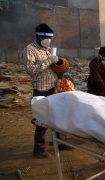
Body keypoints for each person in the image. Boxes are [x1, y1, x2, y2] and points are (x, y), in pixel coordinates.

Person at [23, 23, 59, 158]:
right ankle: (38, 149)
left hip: (53, 86)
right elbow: (30, 70)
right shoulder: (30, 49)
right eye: (46, 37)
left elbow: (54, 67)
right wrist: (49, 61)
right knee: (41, 119)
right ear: (37, 36)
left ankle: (60, 142)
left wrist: (59, 66)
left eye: (50, 38)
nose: (48, 40)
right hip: (41, 90)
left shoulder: (48, 49)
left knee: (56, 115)